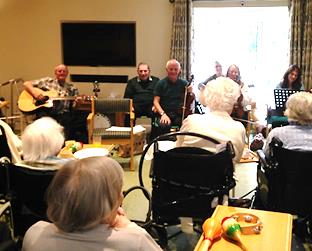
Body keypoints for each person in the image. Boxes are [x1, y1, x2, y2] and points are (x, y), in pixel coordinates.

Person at [22, 156, 162, 251]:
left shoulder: (34, 234)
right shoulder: (135, 241)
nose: (122, 196)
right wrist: (129, 227)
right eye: (119, 192)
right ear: (108, 205)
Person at [177, 76, 246, 163]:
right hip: (221, 175)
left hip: (186, 174)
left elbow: (178, 149)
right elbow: (237, 160)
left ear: (207, 97)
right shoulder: (239, 129)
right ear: (234, 101)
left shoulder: (191, 121)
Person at [23, 64, 88, 142]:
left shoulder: (72, 88)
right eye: (59, 71)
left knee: (70, 126)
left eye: (64, 71)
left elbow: (75, 106)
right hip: (47, 113)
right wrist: (35, 94)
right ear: (55, 73)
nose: (62, 73)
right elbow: (26, 84)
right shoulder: (47, 81)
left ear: (67, 73)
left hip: (64, 115)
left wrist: (78, 102)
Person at [153, 59, 191, 136]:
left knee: (187, 126)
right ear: (166, 70)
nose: (173, 71)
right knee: (164, 126)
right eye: (171, 69)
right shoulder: (160, 83)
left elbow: (189, 100)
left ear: (179, 70)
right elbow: (155, 102)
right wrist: (163, 114)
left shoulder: (184, 83)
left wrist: (190, 91)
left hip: (179, 114)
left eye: (175, 69)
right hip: (165, 113)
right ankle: (164, 146)